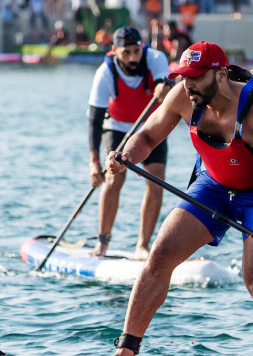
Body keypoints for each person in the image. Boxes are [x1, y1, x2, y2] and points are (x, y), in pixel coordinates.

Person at [88, 41, 253, 356]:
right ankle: (124, 354)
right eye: (183, 76)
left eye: (195, 77)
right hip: (213, 186)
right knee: (160, 255)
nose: (187, 84)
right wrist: (126, 155)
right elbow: (147, 135)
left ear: (220, 75)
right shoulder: (182, 97)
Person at [87, 26, 173, 259]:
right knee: (114, 179)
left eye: (137, 51)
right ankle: (102, 244)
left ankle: (142, 247)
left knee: (156, 181)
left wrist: (163, 87)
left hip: (150, 127)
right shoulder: (105, 72)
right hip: (116, 127)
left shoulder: (155, 58)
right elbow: (95, 121)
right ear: (114, 51)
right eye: (126, 52)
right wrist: (94, 162)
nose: (133, 58)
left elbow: (164, 82)